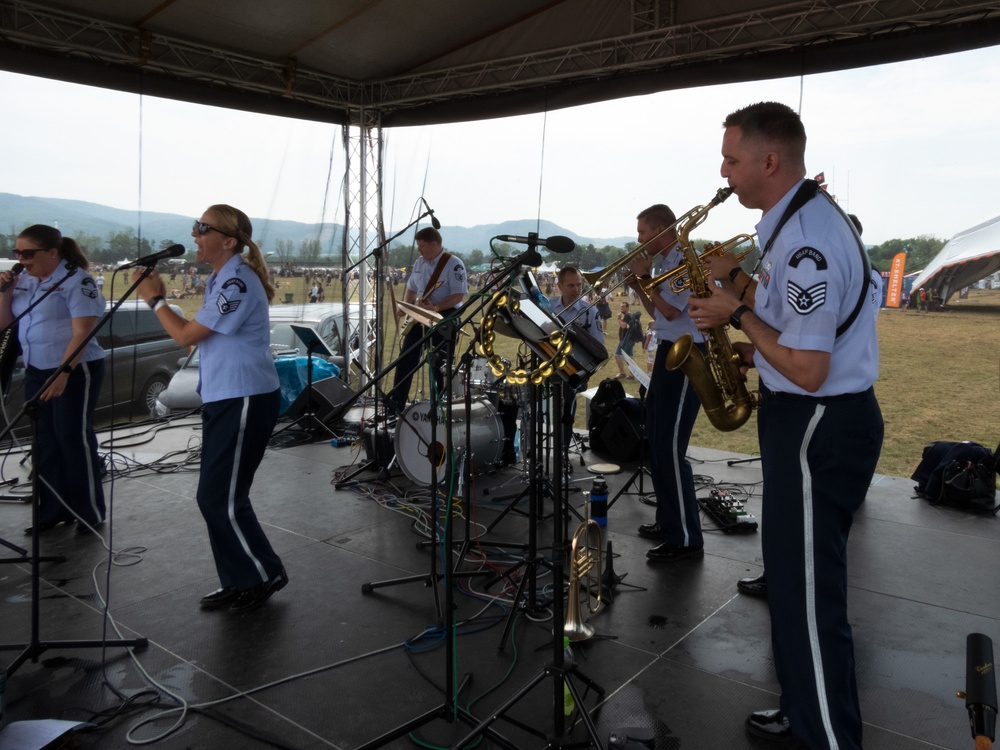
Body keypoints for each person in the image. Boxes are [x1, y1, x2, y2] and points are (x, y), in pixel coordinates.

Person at [687, 101, 883, 749]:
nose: (724, 171)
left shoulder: (806, 243)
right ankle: (804, 709)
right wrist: (748, 323)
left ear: (770, 161)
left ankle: (827, 735)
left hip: (815, 422)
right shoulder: (794, 224)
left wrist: (734, 315)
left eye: (733, 159)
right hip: (810, 420)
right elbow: (792, 334)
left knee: (807, 598)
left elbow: (806, 366)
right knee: (796, 588)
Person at [133, 205, 288, 613]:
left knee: (218, 496)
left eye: (203, 228)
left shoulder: (237, 281)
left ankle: (261, 574)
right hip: (227, 396)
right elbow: (194, 341)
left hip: (244, 398)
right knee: (221, 496)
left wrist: (155, 301)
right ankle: (241, 577)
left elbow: (186, 333)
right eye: (196, 226)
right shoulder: (222, 279)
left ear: (229, 240)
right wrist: (172, 315)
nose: (195, 233)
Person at [0, 225, 106, 536]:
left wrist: (64, 372)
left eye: (28, 253)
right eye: (17, 253)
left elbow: (83, 331)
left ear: (52, 253)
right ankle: (54, 510)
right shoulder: (24, 281)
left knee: (72, 438)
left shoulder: (77, 281)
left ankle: (88, 512)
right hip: (37, 367)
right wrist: (5, 293)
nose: (21, 259)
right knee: (44, 441)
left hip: (74, 368)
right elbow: (6, 324)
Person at [624, 204, 705, 562]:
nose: (639, 239)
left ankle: (686, 538)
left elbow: (672, 312)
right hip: (669, 351)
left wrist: (642, 279)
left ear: (660, 229)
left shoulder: (684, 261)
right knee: (656, 441)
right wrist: (639, 286)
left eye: (643, 232)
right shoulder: (663, 262)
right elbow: (659, 311)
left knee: (671, 448)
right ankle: (668, 520)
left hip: (687, 356)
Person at [388, 227, 467, 414]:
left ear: (434, 244)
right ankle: (396, 406)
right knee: (406, 359)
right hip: (420, 316)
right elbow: (412, 287)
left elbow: (458, 296)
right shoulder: (419, 263)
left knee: (440, 365)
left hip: (444, 317)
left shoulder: (453, 264)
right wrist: (405, 307)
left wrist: (436, 308)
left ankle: (438, 409)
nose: (420, 250)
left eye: (422, 246)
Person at [548, 266, 604, 446]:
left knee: (566, 396)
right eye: (571, 285)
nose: (576, 290)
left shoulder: (590, 312)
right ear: (559, 285)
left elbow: (599, 349)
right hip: (547, 364)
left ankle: (562, 450)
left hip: (574, 371)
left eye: (579, 285)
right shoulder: (547, 307)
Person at [613, 300, 639, 379]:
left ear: (628, 308)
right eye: (621, 307)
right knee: (629, 357)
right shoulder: (630, 315)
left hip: (625, 340)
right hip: (630, 340)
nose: (622, 308)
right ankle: (632, 374)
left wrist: (619, 318)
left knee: (617, 355)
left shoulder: (627, 316)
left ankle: (622, 373)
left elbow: (623, 326)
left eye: (623, 307)